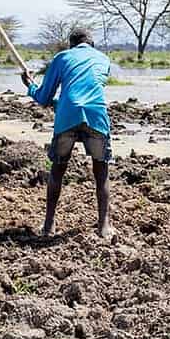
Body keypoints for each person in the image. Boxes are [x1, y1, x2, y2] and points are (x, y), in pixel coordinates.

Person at [22, 28, 113, 237]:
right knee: (101, 172)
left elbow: (44, 98)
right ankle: (104, 225)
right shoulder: (103, 59)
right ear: (91, 44)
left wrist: (30, 86)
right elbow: (89, 89)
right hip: (95, 115)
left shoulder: (62, 57)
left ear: (71, 44)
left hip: (67, 116)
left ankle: (49, 225)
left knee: (58, 169)